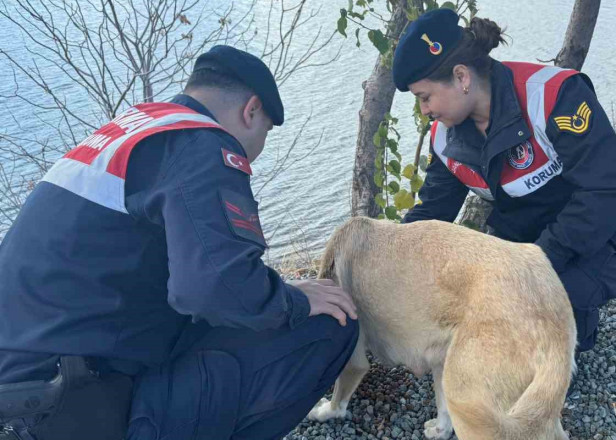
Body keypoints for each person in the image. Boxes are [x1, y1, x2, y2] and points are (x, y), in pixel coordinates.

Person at [0, 45, 358, 440]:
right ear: (251, 110)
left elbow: (192, 275)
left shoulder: (133, 131)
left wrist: (273, 291)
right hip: (73, 407)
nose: (256, 151)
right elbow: (216, 290)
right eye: (265, 133)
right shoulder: (202, 145)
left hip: (28, 388)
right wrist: (296, 301)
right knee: (329, 324)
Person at [394, 9, 616, 352]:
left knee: (534, 318)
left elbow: (604, 192)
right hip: (523, 248)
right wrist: (389, 257)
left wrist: (532, 269)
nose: (424, 110)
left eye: (425, 97)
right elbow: (432, 213)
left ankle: (574, 326)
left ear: (461, 76)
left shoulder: (555, 96)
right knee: (474, 316)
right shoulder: (445, 138)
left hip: (605, 236)